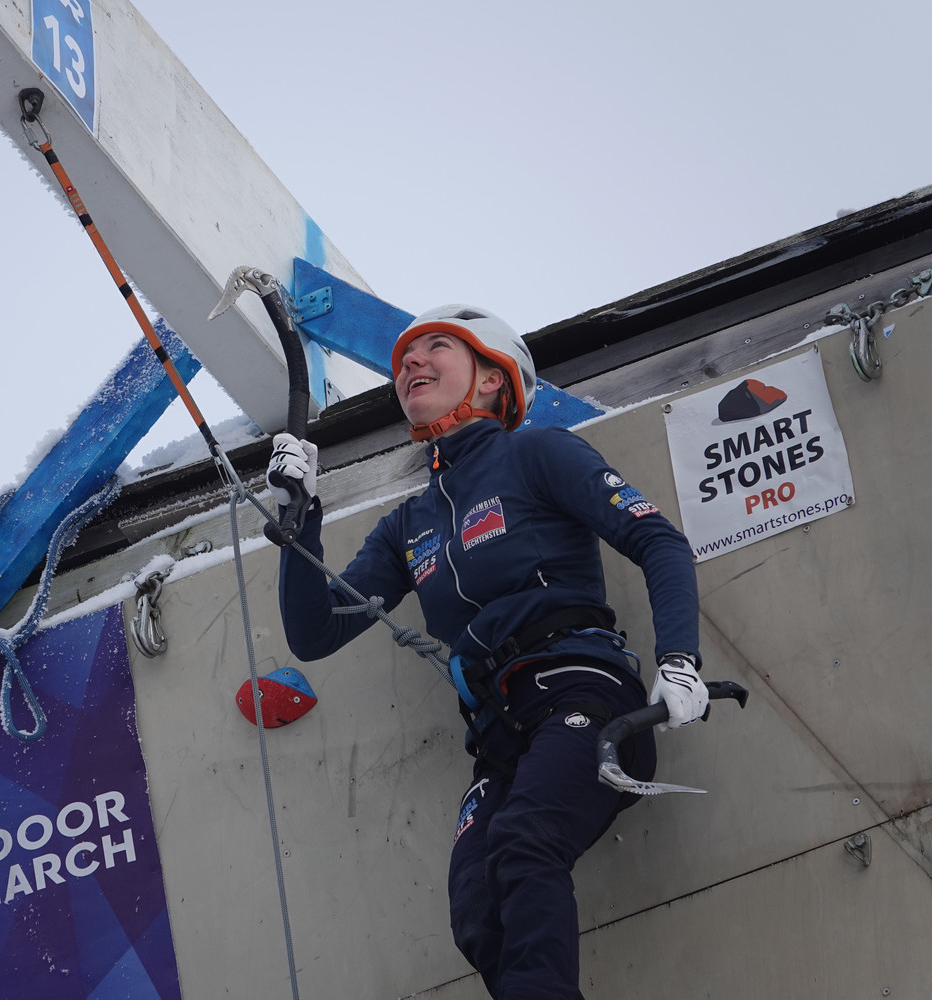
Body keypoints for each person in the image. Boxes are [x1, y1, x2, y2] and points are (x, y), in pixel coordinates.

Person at [269, 304, 707, 999]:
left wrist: (679, 660)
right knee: (478, 911)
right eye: (404, 358)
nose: (411, 363)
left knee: (524, 843)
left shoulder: (537, 453)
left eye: (437, 346)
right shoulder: (408, 524)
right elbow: (315, 633)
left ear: (495, 379)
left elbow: (658, 540)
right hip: (502, 736)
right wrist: (302, 513)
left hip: (584, 697)